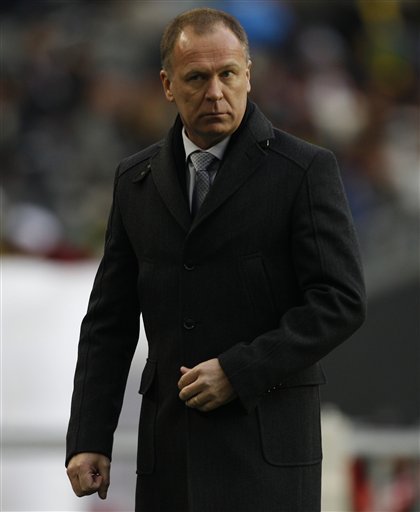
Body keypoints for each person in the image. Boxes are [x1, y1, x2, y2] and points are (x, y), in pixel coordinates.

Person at [66, 7, 366, 512]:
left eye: (228, 74)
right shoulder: (135, 181)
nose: (215, 92)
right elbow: (108, 323)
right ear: (167, 85)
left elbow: (341, 301)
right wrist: (89, 436)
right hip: (170, 460)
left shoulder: (303, 171)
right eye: (196, 78)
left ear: (248, 74)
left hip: (268, 461)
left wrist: (238, 370)